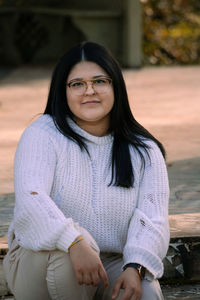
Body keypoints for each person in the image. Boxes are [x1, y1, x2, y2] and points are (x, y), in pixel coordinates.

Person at [3, 41, 170, 300]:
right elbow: (31, 200)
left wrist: (135, 266)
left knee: (146, 294)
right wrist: (73, 241)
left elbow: (153, 219)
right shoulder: (43, 134)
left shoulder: (144, 149)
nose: (89, 91)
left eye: (100, 81)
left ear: (116, 86)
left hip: (110, 261)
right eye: (77, 84)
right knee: (69, 263)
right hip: (40, 260)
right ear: (63, 91)